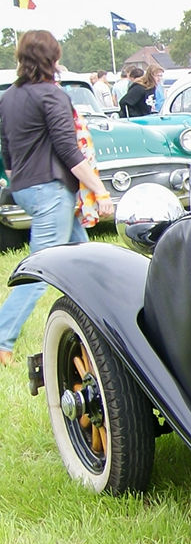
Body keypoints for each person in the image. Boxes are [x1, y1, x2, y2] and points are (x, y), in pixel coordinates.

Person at [0, 30, 114, 367]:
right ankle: (2, 339)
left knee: (85, 259)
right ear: (51, 60)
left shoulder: (8, 97)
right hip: (50, 189)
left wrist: (17, 179)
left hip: (25, 188)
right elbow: (69, 150)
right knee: (39, 271)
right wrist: (100, 188)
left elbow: (5, 151)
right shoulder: (53, 95)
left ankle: (103, 323)